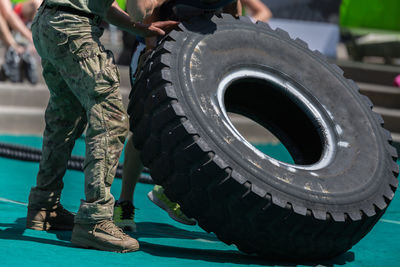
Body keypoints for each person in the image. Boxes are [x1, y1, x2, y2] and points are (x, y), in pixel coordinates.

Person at [25, 0, 178, 253]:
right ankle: (95, 220)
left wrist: (139, 29)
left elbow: (101, 5)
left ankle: (44, 206)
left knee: (65, 117)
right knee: (111, 118)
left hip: (49, 22)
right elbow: (138, 5)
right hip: (73, 28)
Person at [113, 0, 271, 231]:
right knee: (143, 125)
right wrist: (149, 48)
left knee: (199, 126)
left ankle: (167, 191)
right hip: (158, 47)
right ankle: (125, 202)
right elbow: (148, 12)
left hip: (198, 53)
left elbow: (234, 15)